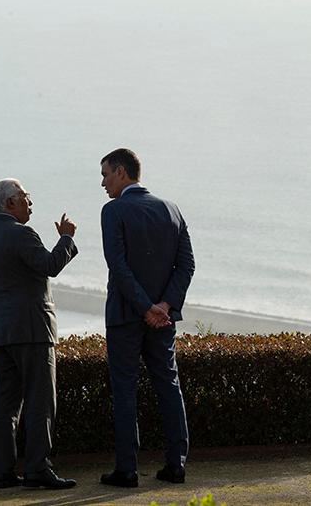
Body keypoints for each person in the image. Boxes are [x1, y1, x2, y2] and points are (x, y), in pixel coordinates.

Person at [0, 178, 79, 490]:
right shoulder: (22, 233)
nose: (30, 202)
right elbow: (50, 265)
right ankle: (37, 469)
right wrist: (66, 238)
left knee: (5, 407)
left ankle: (3, 473)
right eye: (26, 196)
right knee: (40, 402)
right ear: (10, 203)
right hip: (32, 330)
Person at [98, 148, 195, 488]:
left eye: (106, 174)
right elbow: (186, 265)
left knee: (125, 390)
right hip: (163, 320)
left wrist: (145, 307)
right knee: (169, 384)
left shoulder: (113, 211)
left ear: (122, 172)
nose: (103, 182)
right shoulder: (172, 209)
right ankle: (176, 464)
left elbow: (119, 267)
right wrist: (165, 306)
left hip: (126, 315)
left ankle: (126, 469)